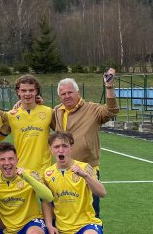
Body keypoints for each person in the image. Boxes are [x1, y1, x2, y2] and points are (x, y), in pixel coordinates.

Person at [51, 69, 117, 217]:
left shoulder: (92, 109)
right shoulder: (57, 111)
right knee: (64, 213)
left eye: (70, 92)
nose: (67, 96)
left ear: (78, 92)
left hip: (87, 170)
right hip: (63, 171)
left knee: (91, 213)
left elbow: (112, 111)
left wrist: (109, 86)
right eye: (63, 94)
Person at [41, 132, 106, 234]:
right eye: (56, 147)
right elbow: (46, 202)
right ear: (51, 150)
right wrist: (49, 225)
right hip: (61, 228)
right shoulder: (47, 174)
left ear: (71, 148)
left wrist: (85, 176)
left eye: (65, 146)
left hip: (86, 225)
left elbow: (102, 193)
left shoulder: (84, 167)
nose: (61, 150)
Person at [0, 142, 51, 234]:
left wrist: (27, 178)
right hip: (6, 226)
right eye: (2, 159)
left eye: (10, 159)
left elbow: (48, 197)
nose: (7, 163)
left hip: (30, 223)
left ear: (17, 160)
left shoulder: (30, 175)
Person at [6, 76, 53, 172]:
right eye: (23, 90)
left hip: (44, 169)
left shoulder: (49, 112)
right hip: (22, 169)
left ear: (36, 91)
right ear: (18, 92)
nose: (27, 94)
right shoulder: (10, 115)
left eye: (31, 90)